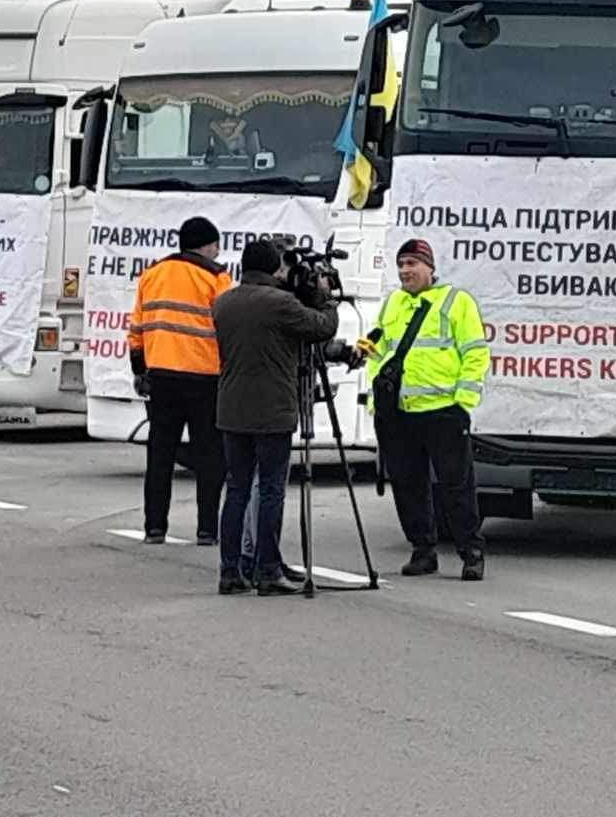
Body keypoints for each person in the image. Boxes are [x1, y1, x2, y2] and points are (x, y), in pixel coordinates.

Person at [210, 237, 339, 595]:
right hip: (272, 410)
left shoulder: (223, 302)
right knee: (270, 489)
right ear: (274, 267)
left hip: (231, 407)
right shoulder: (279, 303)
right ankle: (267, 569)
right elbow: (322, 327)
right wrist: (326, 297)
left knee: (236, 490)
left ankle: (230, 571)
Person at [360, 238, 490, 580]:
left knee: (456, 485)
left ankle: (471, 552)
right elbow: (378, 353)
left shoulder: (456, 301)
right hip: (400, 412)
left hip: (443, 410)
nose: (405, 271)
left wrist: (463, 401)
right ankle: (422, 550)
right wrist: (377, 397)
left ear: (429, 268)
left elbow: (475, 352)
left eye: (412, 264)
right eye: (401, 264)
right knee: (408, 485)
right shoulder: (393, 303)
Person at [128, 215, 230, 545]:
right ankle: (207, 530)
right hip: (205, 378)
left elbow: (136, 327)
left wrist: (139, 368)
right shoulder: (216, 277)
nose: (218, 252)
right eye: (215, 245)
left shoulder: (152, 274)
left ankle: (154, 527)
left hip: (161, 377)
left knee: (160, 455)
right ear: (206, 245)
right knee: (209, 456)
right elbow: (228, 327)